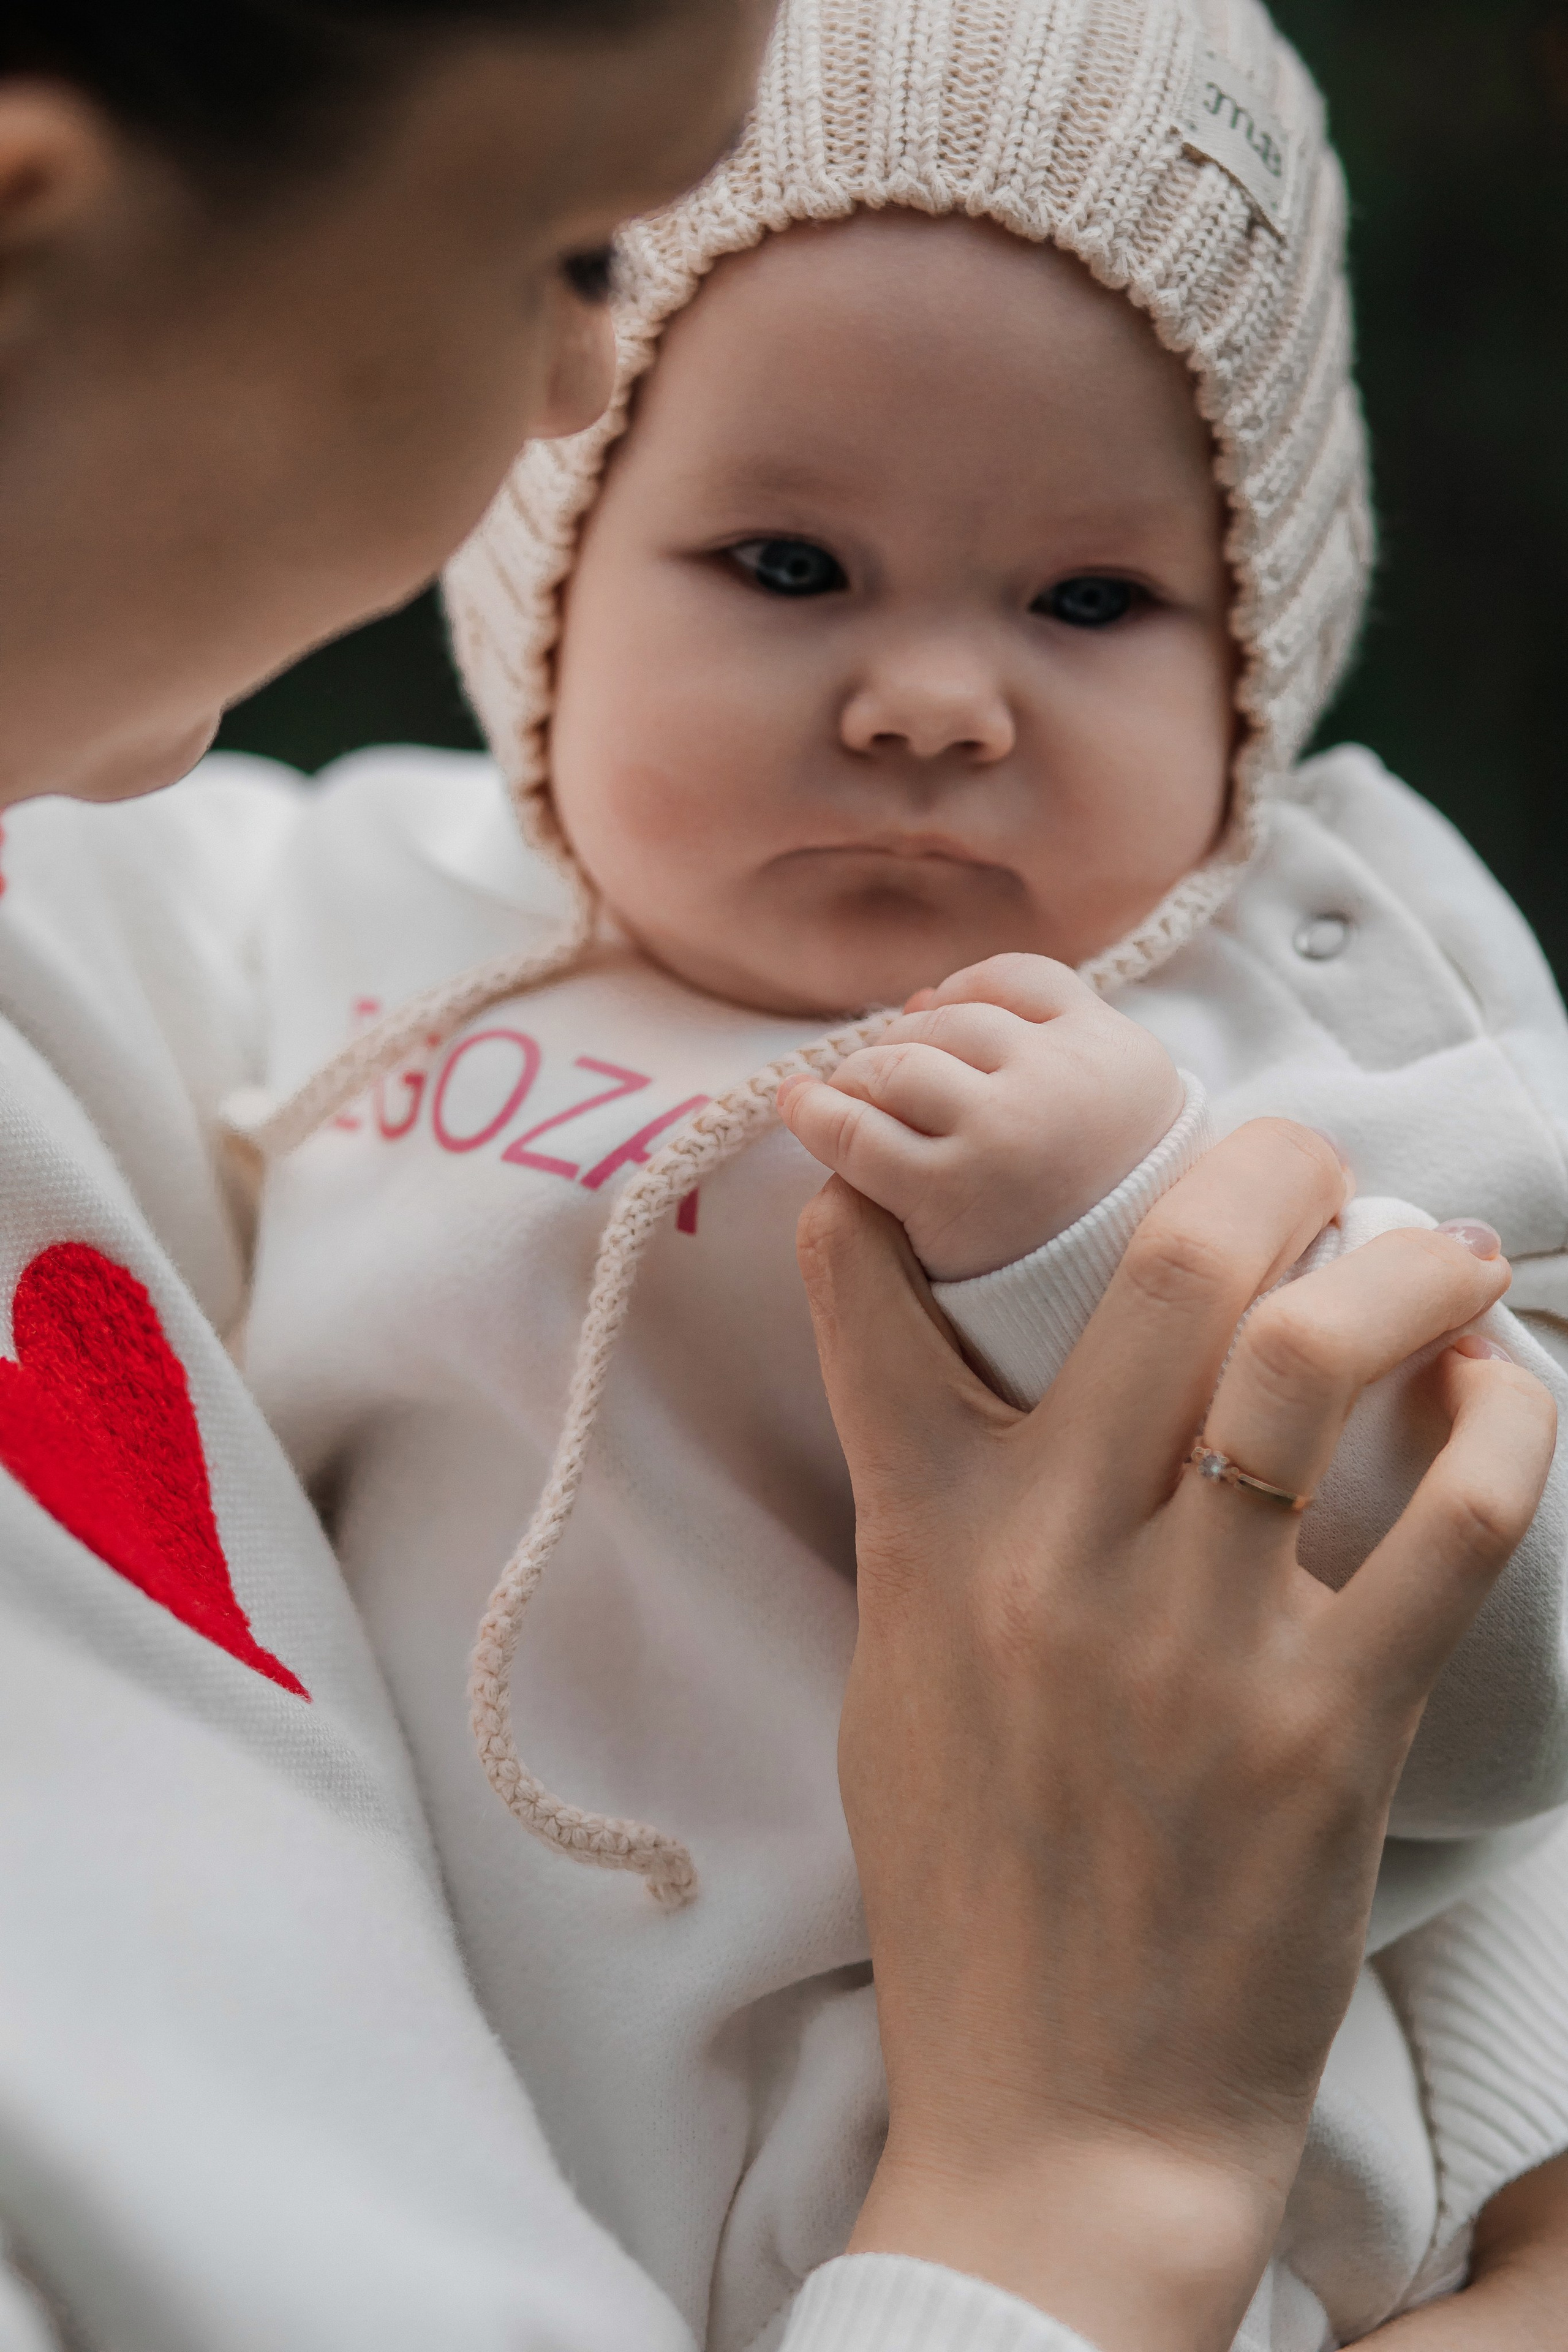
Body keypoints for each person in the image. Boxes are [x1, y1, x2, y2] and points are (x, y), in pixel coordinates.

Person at [0, 4, 1527, 2350]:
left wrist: (1122, 1259)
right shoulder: (342, 933)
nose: (935, 701)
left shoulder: (1304, 1038)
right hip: (709, 2191)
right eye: (790, 562)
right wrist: (1077, 2189)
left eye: (1093, 602)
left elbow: (1516, 1683)